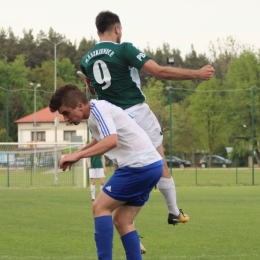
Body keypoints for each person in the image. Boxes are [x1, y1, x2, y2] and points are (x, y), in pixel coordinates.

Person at [80, 10, 215, 225]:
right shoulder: (124, 49)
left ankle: (126, 223)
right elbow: (160, 71)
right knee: (158, 162)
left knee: (124, 170)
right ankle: (173, 211)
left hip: (112, 119)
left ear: (97, 31)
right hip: (136, 113)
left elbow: (93, 90)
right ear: (117, 28)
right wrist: (197, 74)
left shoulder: (86, 60)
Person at [49, 84, 163, 260]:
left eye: (65, 113)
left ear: (79, 105)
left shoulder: (99, 109)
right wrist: (78, 154)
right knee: (122, 221)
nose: (65, 118)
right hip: (152, 166)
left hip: (138, 166)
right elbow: (100, 139)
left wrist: (77, 155)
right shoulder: (95, 114)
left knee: (100, 207)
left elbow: (111, 141)